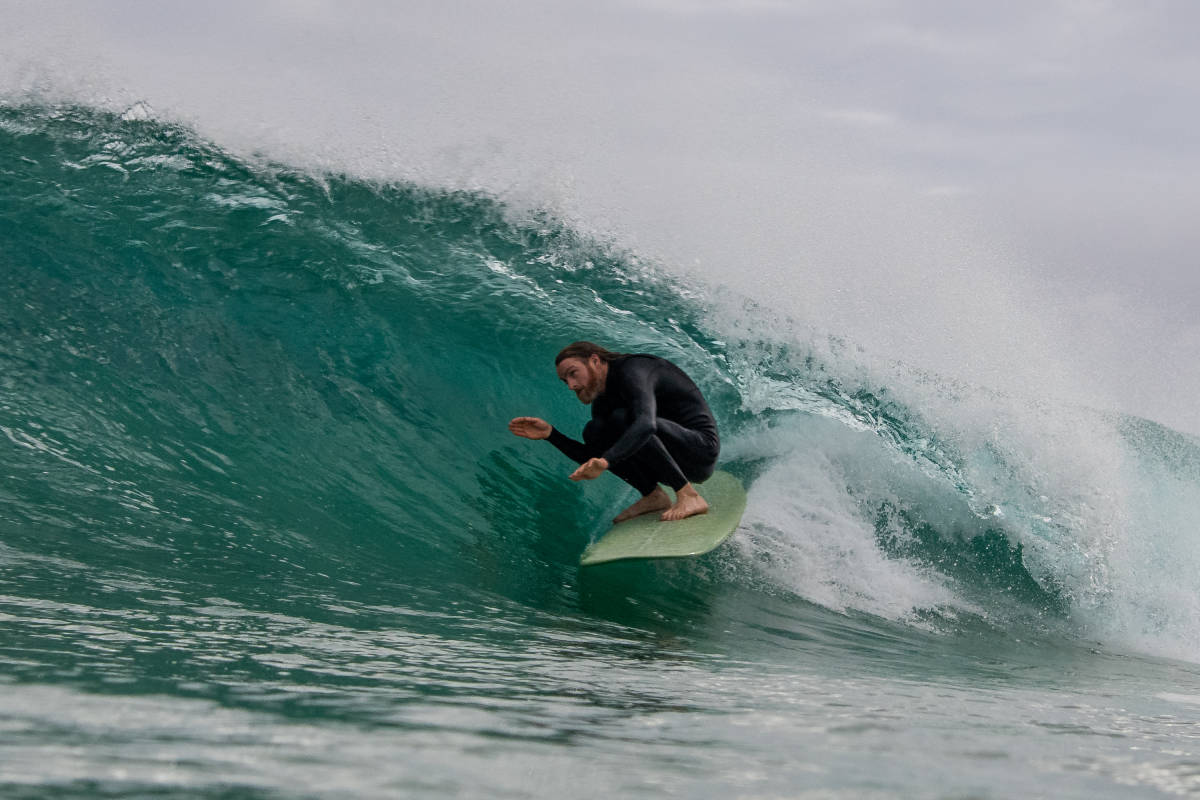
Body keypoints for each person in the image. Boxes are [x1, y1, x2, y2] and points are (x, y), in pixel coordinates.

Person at [509, 342, 720, 523]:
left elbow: (646, 424)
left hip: (700, 451)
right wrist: (551, 435)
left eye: (573, 374)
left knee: (623, 419)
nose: (571, 385)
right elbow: (595, 456)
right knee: (594, 431)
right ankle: (652, 494)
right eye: (565, 381)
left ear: (594, 360)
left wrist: (607, 461)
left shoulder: (634, 370)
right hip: (670, 461)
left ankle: (688, 494)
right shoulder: (603, 400)